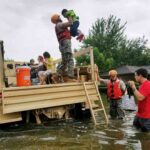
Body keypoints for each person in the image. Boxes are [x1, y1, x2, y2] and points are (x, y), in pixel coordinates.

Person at [51, 14, 75, 82]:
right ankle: (70, 78)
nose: (60, 17)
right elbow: (70, 23)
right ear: (57, 19)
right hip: (66, 43)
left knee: (64, 61)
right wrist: (69, 16)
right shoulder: (59, 24)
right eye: (59, 17)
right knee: (70, 60)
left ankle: (57, 75)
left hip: (62, 45)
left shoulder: (57, 26)